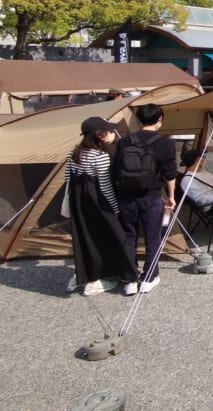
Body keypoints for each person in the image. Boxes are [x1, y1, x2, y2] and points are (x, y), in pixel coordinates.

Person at [63, 116, 139, 296]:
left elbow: (68, 179)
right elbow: (105, 187)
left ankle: (86, 273)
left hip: (79, 203)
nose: (112, 133)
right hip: (99, 203)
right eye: (109, 131)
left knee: (86, 238)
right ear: (100, 135)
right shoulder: (100, 156)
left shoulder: (73, 154)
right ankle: (128, 276)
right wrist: (116, 209)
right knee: (116, 237)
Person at [113, 103, 177, 295]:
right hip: (151, 195)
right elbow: (170, 173)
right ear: (159, 119)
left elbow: (115, 170)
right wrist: (171, 196)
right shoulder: (165, 142)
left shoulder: (125, 141)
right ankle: (149, 276)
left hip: (126, 196)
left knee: (128, 236)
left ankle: (130, 278)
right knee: (152, 236)